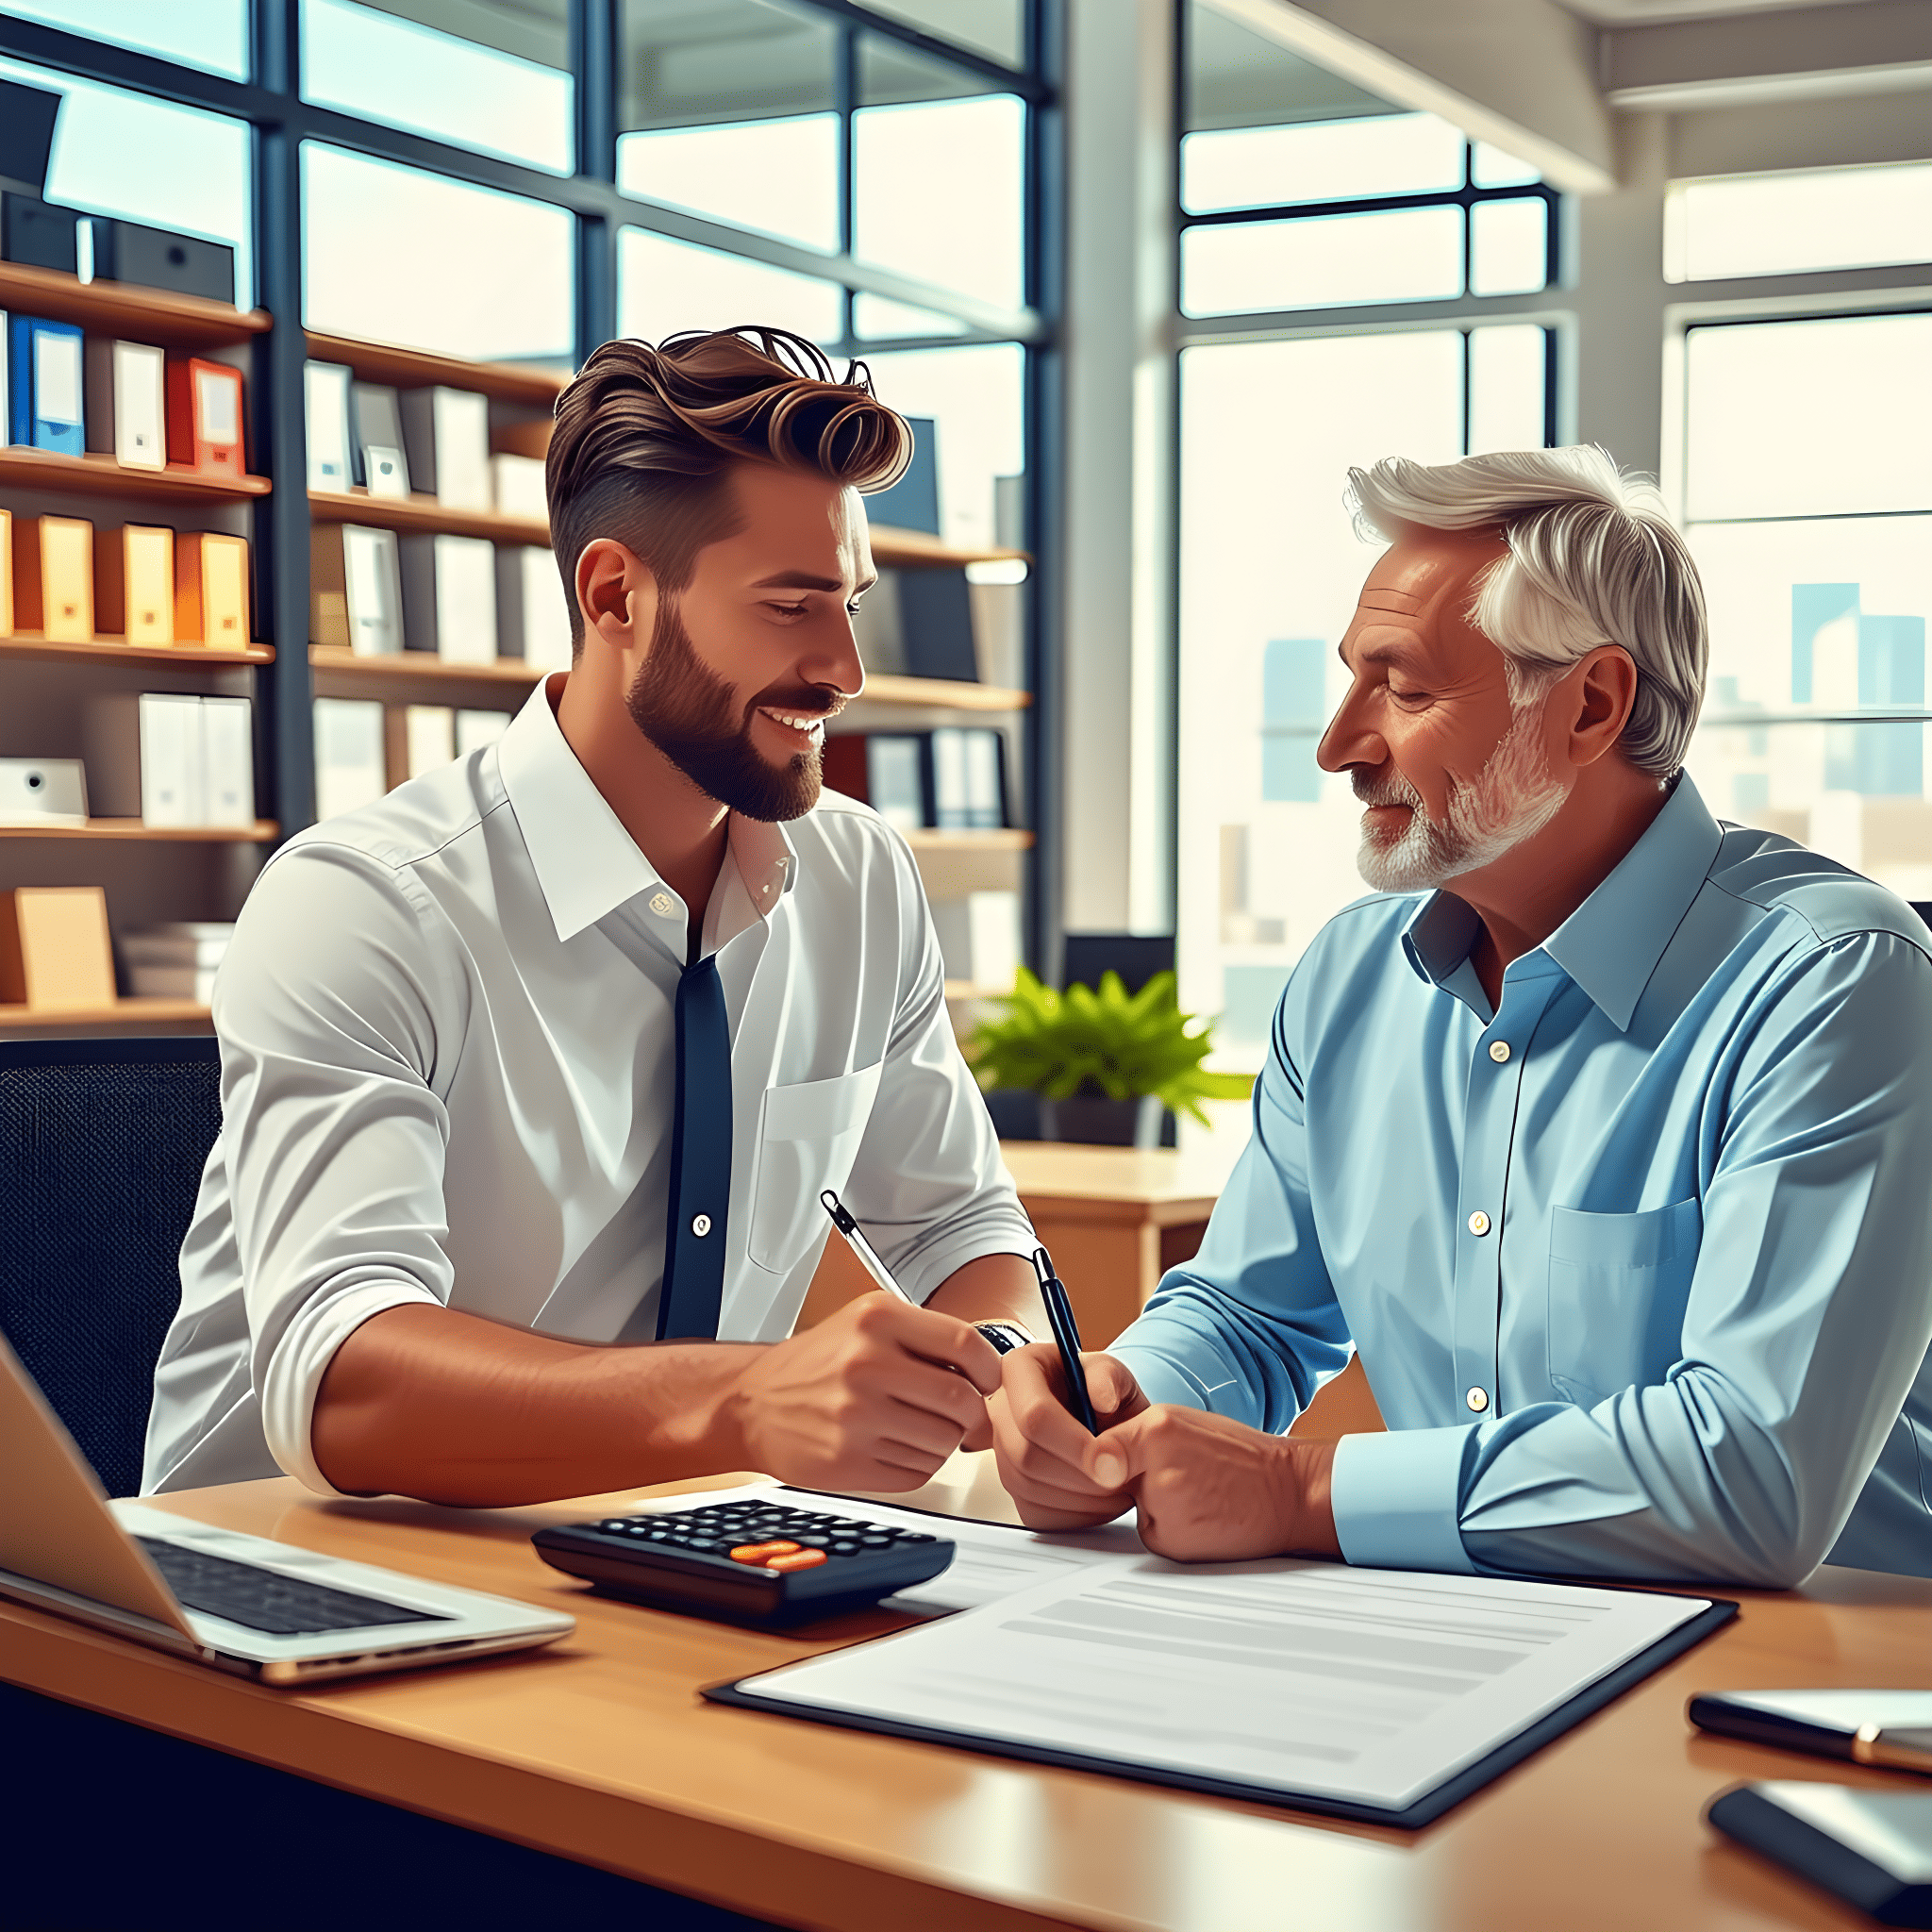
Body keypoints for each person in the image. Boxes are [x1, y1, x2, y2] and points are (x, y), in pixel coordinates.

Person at [991, 446, 1932, 1588]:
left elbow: (1749, 1469)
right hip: (1466, 1637)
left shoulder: (1834, 980)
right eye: (1351, 682)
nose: (1338, 746)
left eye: (1403, 690)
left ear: (1590, 704)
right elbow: (1248, 1316)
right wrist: (1123, 1402)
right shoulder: (1348, 976)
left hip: (1809, 1656)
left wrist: (1299, 1489)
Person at [143, 327, 1042, 1507]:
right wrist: (742, 1403)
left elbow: (958, 1227)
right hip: (293, 1561)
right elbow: (341, 1380)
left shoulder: (859, 878)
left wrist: (1001, 1378)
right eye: (791, 605)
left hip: (664, 1540)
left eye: (850, 603)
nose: (844, 668)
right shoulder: (367, 903)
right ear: (615, 595)